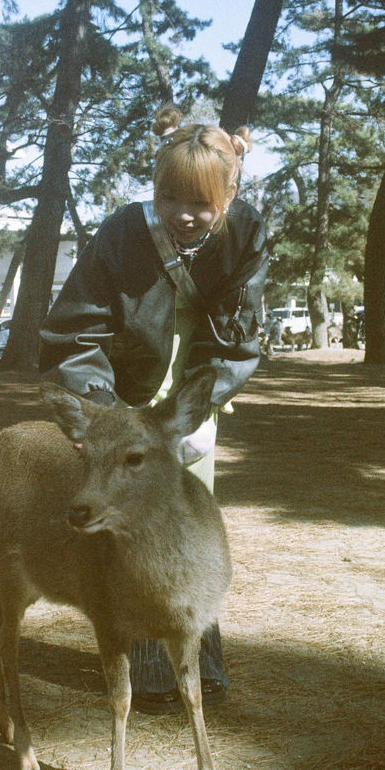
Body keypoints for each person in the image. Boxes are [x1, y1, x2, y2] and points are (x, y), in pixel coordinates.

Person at [39, 104, 268, 715]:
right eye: (172, 198)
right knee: (125, 521)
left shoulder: (246, 233)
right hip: (121, 397)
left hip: (192, 398)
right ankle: (139, 665)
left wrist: (194, 413)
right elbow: (75, 333)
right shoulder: (119, 233)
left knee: (187, 521)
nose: (185, 216)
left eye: (202, 204)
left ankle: (198, 658)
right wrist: (109, 419)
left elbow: (237, 338)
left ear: (229, 194)